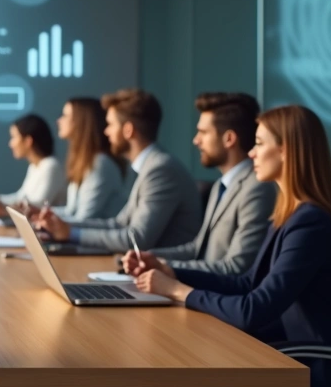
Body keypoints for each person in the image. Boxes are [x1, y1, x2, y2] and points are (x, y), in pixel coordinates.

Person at [102, 105, 331, 387]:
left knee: (140, 386)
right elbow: (248, 283)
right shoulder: (290, 216)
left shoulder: (311, 224)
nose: (251, 153)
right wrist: (172, 271)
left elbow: (254, 309)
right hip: (274, 358)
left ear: (287, 150)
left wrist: (178, 291)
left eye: (260, 143)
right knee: (122, 380)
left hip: (300, 378)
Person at [0, 100, 126, 387]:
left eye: (66, 115)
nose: (59, 120)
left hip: (88, 261)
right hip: (78, 254)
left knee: (21, 309)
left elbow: (80, 221)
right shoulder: (82, 163)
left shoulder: (96, 165)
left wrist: (28, 213)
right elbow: (68, 215)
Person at [123, 92, 276, 277]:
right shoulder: (222, 184)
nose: (196, 140)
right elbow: (198, 249)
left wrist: (165, 267)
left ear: (229, 139)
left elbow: (236, 268)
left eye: (203, 132)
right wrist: (148, 257)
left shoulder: (256, 189)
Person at [33, 89, 202, 252]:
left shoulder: (160, 169)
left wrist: (70, 233)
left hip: (161, 274)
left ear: (128, 130)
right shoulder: (151, 166)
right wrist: (64, 227)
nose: (106, 131)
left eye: (111, 125)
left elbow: (137, 239)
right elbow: (119, 224)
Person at [0, 114, 66, 220]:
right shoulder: (34, 167)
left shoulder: (51, 166)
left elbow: (37, 206)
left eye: (14, 137)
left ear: (28, 141)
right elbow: (20, 197)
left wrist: (1, 209)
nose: (11, 144)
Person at [56, 97, 127, 221]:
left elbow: (84, 218)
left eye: (65, 116)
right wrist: (40, 214)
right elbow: (71, 210)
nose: (59, 121)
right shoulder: (85, 161)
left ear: (81, 122)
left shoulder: (100, 164)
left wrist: (49, 224)